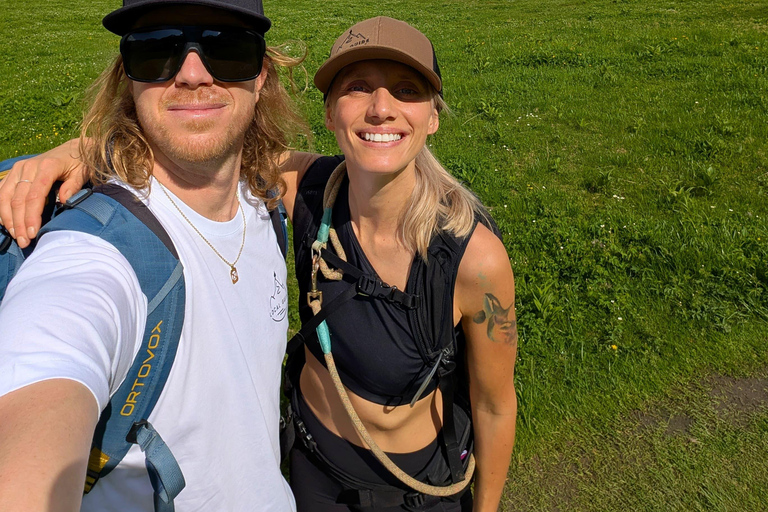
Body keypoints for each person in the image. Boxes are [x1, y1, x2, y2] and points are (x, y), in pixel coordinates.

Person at [0, 16, 518, 512]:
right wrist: (83, 149)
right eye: (357, 87)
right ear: (331, 110)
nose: (380, 108)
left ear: (433, 115)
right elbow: (198, 150)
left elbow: (494, 406)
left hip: (412, 483)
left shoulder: (472, 258)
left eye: (407, 90)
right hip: (309, 462)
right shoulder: (309, 189)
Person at [0, 0, 305, 510]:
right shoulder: (94, 259)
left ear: (261, 77)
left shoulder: (265, 196)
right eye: (156, 51)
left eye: (226, 49)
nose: (191, 73)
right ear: (129, 80)